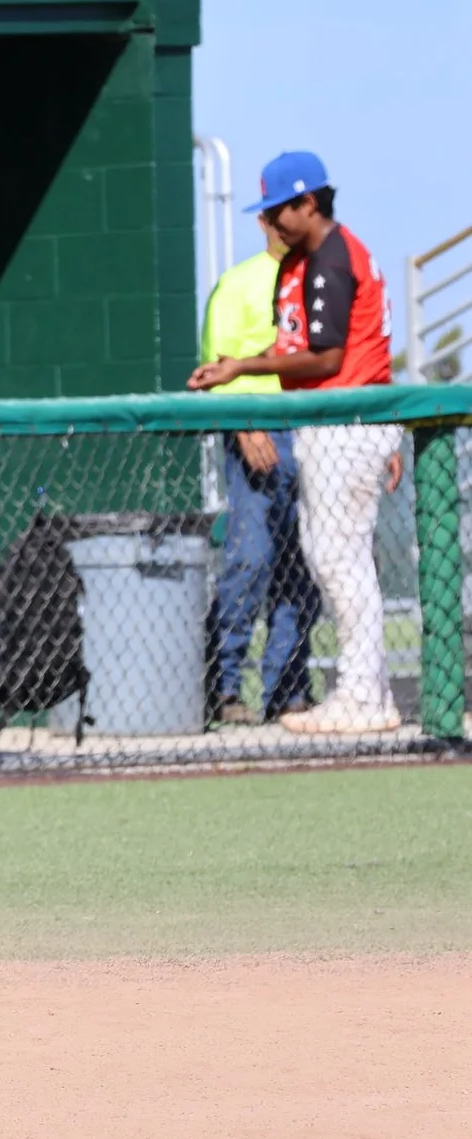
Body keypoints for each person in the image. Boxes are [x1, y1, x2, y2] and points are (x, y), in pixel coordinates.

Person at [189, 151, 402, 735]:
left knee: (338, 563)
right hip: (343, 421)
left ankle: (363, 693)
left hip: (344, 423)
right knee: (332, 560)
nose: (272, 222)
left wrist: (241, 369)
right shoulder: (318, 258)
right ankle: (366, 692)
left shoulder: (331, 260)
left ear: (309, 202)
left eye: (280, 210)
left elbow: (332, 356)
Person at [200, 219, 319, 725]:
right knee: (250, 562)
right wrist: (245, 426)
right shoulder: (239, 281)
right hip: (259, 433)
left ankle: (288, 693)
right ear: (264, 223)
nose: (287, 223)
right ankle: (222, 690)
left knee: (305, 570)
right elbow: (215, 365)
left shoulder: (318, 281)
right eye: (278, 213)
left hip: (314, 436)